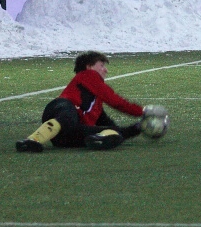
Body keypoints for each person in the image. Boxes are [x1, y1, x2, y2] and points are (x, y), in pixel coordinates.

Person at [16, 51, 151, 152]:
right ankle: (31, 140)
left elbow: (110, 125)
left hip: (62, 138)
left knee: (113, 132)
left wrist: (138, 128)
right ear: (89, 67)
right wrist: (143, 111)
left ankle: (98, 139)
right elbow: (115, 101)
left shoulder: (95, 103)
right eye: (102, 65)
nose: (106, 70)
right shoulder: (88, 75)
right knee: (67, 117)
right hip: (62, 107)